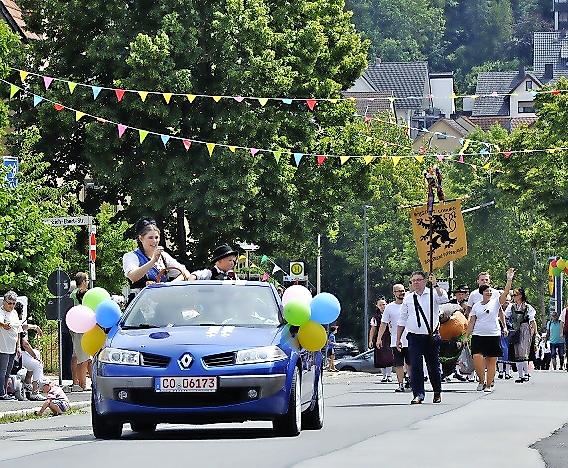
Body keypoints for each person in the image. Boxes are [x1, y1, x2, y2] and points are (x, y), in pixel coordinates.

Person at [397, 271, 448, 405]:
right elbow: (402, 319)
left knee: (433, 366)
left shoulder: (433, 293)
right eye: (413, 280)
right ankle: (418, 394)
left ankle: (437, 391)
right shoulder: (408, 298)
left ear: (425, 281)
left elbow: (444, 299)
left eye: (419, 280)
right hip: (414, 336)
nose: (416, 282)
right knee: (416, 366)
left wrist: (435, 284)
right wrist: (398, 339)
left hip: (431, 336)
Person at [465, 269, 513, 393]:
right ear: (482, 292)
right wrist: (466, 336)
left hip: (493, 334)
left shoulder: (496, 301)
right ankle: (481, 380)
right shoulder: (476, 304)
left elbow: (505, 294)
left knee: (492, 360)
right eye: (486, 291)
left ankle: (489, 384)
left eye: (490, 290)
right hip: (478, 335)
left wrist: (509, 279)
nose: (489, 292)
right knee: (477, 357)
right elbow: (471, 321)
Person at [123, 217, 191, 299]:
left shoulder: (163, 256)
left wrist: (168, 286)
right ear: (141, 238)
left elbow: (185, 273)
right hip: (140, 304)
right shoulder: (131, 256)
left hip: (161, 303)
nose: (154, 241)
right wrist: (152, 261)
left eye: (156, 237)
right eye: (150, 238)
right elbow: (133, 276)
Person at [377, 284, 409, 392]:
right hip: (396, 340)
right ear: (394, 293)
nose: (401, 293)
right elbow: (383, 324)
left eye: (403, 290)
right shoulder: (389, 307)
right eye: (399, 291)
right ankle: (401, 384)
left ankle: (412, 380)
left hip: (411, 339)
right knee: (398, 364)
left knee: (411, 362)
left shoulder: (410, 304)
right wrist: (378, 338)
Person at [505, 287, 537, 383]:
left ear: (520, 296)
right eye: (513, 295)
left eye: (515, 295)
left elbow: (532, 320)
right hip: (515, 330)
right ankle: (520, 375)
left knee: (524, 351)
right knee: (517, 352)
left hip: (525, 329)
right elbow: (505, 316)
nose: (514, 297)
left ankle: (526, 373)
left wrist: (535, 333)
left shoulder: (528, 307)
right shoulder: (511, 307)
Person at [68, 272, 91, 391]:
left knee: (76, 355)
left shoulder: (72, 294)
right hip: (80, 327)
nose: (88, 282)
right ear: (82, 281)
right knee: (84, 357)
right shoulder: (79, 294)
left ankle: (76, 382)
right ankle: (83, 385)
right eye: (86, 280)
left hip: (75, 326)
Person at [0, 291, 22, 400]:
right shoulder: (1, 312)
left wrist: (18, 346)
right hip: (3, 346)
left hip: (12, 346)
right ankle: (1, 393)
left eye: (14, 303)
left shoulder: (14, 313)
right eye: (9, 303)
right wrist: (3, 325)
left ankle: (4, 392)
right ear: (4, 302)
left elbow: (18, 330)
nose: (12, 306)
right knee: (2, 371)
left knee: (8, 372)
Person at [369, 298, 392, 382]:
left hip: (389, 337)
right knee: (381, 357)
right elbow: (373, 329)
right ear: (377, 306)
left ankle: (389, 375)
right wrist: (370, 340)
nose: (383, 306)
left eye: (384, 304)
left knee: (389, 356)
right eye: (380, 305)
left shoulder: (391, 314)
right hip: (380, 339)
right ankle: (384, 376)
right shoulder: (375, 317)